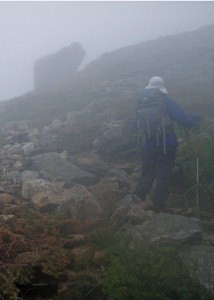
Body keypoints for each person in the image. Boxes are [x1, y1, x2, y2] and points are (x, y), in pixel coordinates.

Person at [134, 76, 200, 213]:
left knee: (147, 173)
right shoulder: (166, 101)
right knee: (163, 174)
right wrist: (195, 117)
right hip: (166, 143)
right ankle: (158, 206)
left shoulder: (142, 104)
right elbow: (185, 120)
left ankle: (135, 200)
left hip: (147, 144)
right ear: (161, 89)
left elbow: (136, 125)